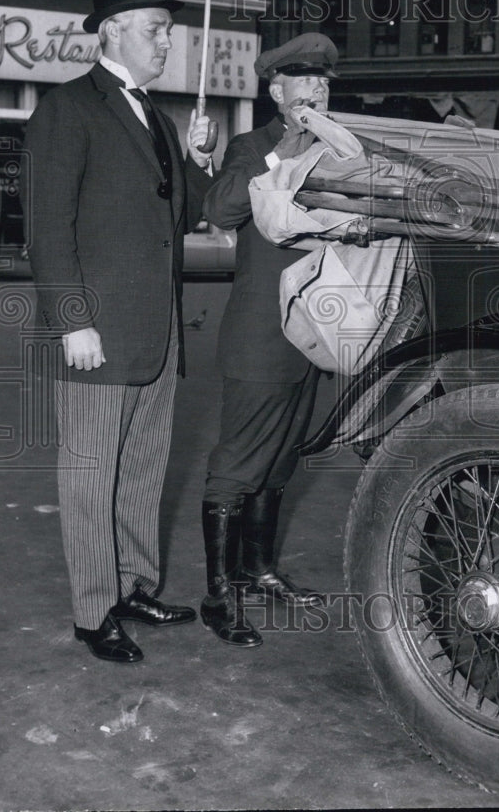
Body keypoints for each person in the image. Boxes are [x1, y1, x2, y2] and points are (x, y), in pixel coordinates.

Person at [21, 0, 216, 663]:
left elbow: (187, 213)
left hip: (155, 336)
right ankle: (93, 610)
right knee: (88, 474)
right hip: (96, 336)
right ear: (111, 30)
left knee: (141, 469)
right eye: (154, 28)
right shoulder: (67, 109)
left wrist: (197, 158)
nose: (167, 41)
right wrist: (73, 319)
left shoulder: (155, 116)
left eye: (168, 29)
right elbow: (47, 228)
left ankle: (134, 585)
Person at [200, 33, 338, 648]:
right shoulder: (253, 146)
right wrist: (280, 154)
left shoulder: (338, 151)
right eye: (306, 83)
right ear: (277, 92)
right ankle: (217, 596)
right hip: (259, 336)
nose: (319, 91)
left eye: (325, 82)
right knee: (236, 468)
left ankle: (256, 570)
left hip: (312, 335)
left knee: (280, 463)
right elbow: (222, 209)